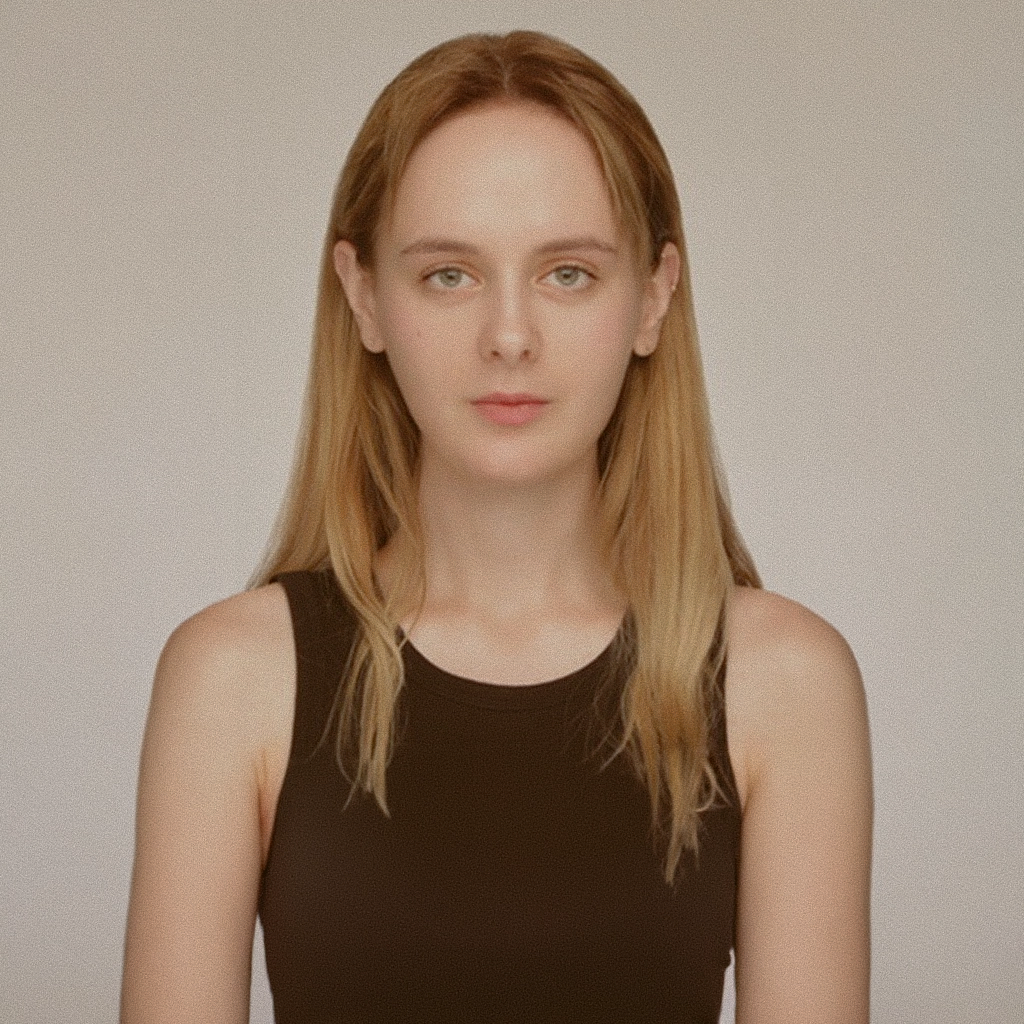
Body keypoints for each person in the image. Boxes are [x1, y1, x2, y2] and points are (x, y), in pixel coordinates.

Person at [121, 30, 872, 1024]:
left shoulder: (784, 683)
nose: (509, 336)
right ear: (363, 296)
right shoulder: (232, 680)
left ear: (653, 297)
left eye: (568, 273)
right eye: (449, 274)